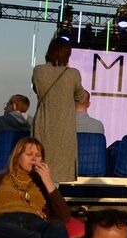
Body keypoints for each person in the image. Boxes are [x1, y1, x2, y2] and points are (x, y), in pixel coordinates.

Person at [31, 39, 87, 183]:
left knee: (40, 164)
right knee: (57, 171)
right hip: (64, 127)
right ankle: (52, 199)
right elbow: (81, 97)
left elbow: (36, 89)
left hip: (43, 124)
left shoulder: (38, 71)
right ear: (68, 54)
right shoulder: (73, 74)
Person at [0, 94, 31, 159]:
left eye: (7, 105)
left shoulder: (0, 121)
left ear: (14, 106)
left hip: (1, 164)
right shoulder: (33, 124)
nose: (5, 108)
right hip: (21, 164)